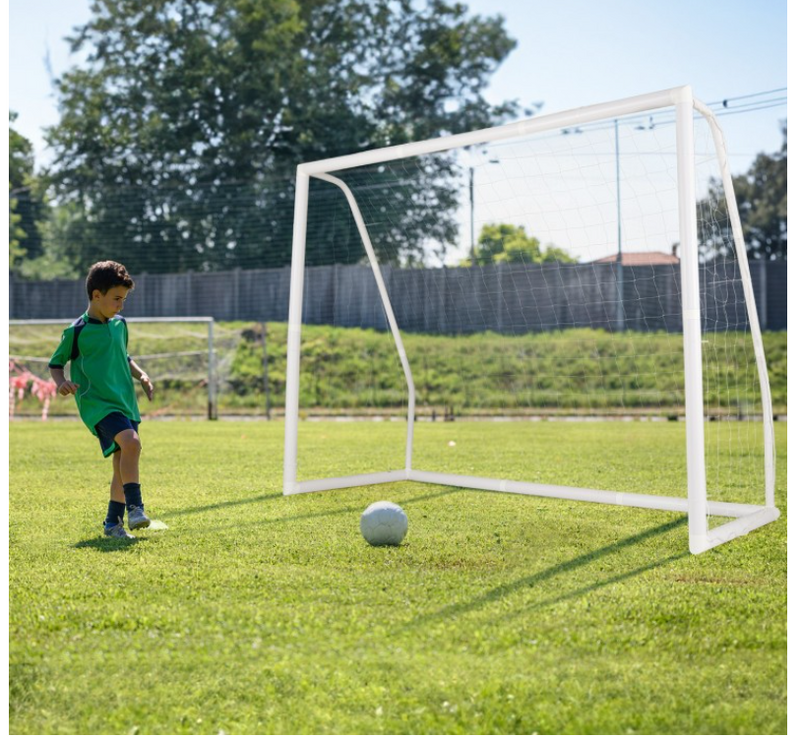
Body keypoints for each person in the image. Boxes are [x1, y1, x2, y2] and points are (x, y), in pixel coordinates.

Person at [48, 261, 155, 539]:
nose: (121, 305)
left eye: (124, 299)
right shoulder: (77, 331)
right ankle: (136, 508)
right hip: (97, 404)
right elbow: (55, 363)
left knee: (123, 459)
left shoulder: (120, 325)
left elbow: (124, 356)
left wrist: (141, 376)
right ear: (97, 295)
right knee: (131, 443)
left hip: (125, 401)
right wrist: (62, 383)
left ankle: (112, 524)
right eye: (116, 299)